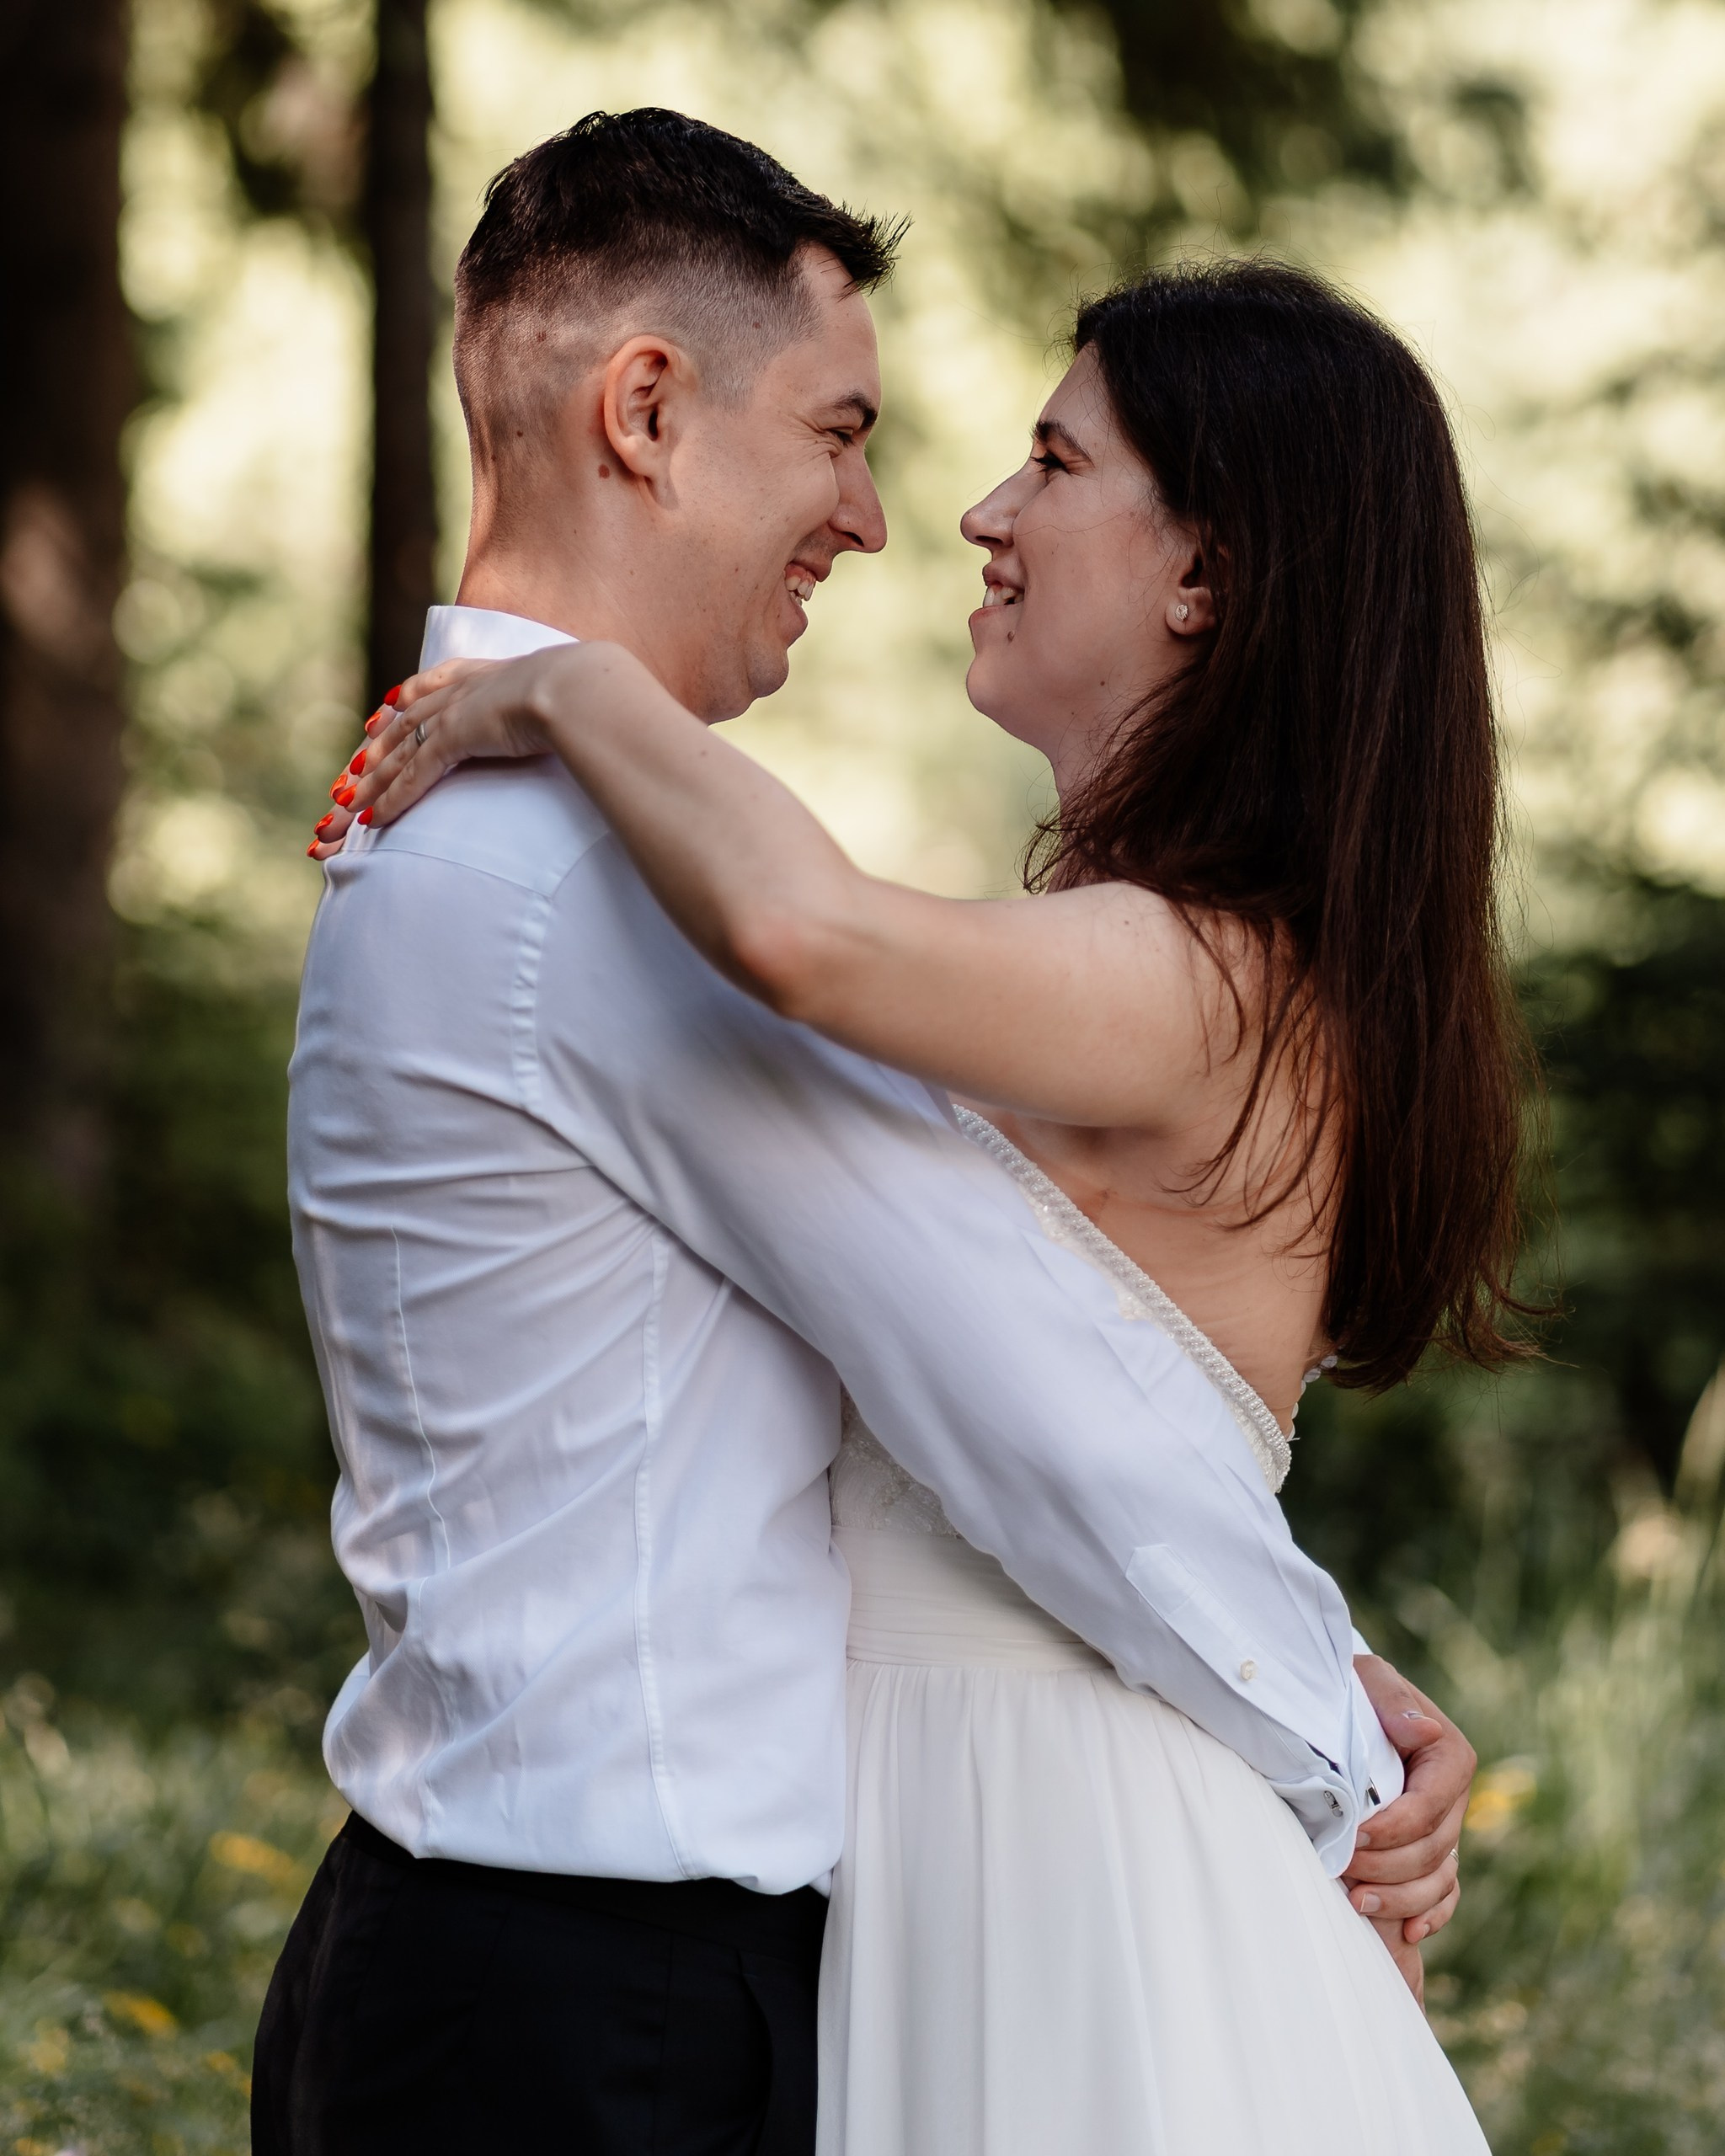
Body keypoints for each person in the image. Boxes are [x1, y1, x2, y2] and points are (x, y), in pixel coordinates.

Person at [275, 110, 1474, 2156]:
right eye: (843, 429)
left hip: (841, 1906)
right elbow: (1021, 1382)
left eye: (1051, 460)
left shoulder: (1148, 965)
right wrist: (1324, 1704)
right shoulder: (590, 890)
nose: (915, 512)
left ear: (1214, 578)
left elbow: (1000, 1351)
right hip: (608, 1988)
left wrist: (1318, 1660)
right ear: (644, 412)